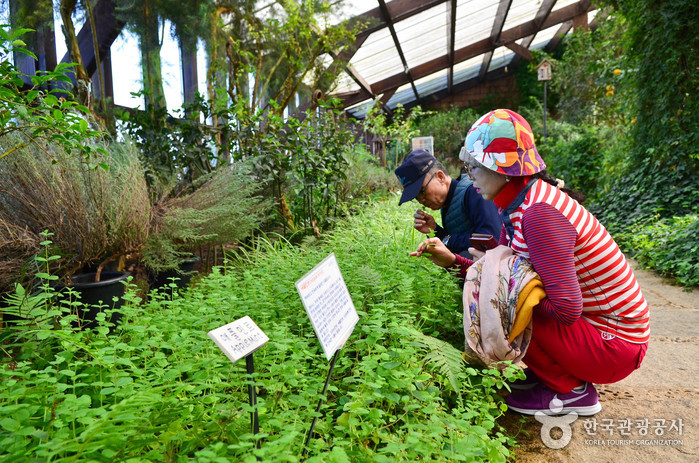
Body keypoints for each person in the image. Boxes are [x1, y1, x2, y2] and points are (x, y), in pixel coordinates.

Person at [411, 109, 649, 416]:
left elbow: (565, 309)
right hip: (599, 336)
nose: (471, 180)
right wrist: (453, 261)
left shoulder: (539, 213)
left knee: (506, 304)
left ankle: (572, 392)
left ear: (503, 170)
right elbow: (503, 275)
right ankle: (550, 374)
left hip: (615, 345)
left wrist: (512, 296)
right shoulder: (522, 203)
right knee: (508, 295)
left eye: (474, 169)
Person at [395, 149, 501, 257]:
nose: (421, 200)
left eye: (422, 191)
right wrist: (435, 230)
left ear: (440, 177)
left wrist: (447, 240)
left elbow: (490, 241)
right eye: (416, 197)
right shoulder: (448, 202)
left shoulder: (474, 192)